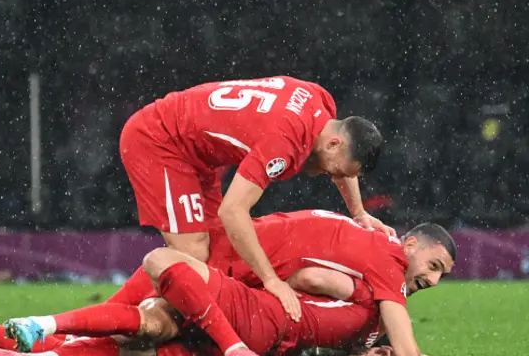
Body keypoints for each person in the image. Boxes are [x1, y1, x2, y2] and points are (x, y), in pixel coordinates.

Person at [0, 209, 455, 356]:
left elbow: (312, 275)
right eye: (433, 265)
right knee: (135, 324)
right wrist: (272, 286)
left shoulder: (369, 243)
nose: (430, 280)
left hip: (228, 280)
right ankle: (5, 333)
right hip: (210, 269)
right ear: (409, 245)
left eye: (440, 276)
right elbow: (308, 277)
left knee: (132, 343)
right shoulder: (386, 261)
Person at [120, 76, 394, 322]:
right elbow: (233, 211)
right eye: (333, 170)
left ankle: (151, 318)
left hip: (197, 153)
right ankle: (125, 318)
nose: (328, 174)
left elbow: (341, 168)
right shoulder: (282, 143)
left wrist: (358, 213)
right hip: (160, 140)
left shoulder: (320, 102)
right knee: (192, 254)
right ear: (334, 143)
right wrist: (271, 280)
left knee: (215, 251)